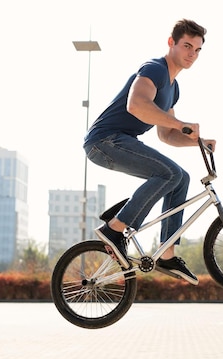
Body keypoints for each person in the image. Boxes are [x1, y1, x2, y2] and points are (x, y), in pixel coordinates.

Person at [83, 19, 215, 285]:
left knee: (181, 177)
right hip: (105, 140)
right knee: (168, 174)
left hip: (120, 142)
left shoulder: (173, 88)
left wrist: (197, 141)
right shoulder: (154, 69)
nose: (192, 54)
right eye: (187, 46)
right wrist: (182, 124)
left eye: (198, 49)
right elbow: (136, 105)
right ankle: (115, 228)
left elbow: (166, 135)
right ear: (171, 43)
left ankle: (167, 253)